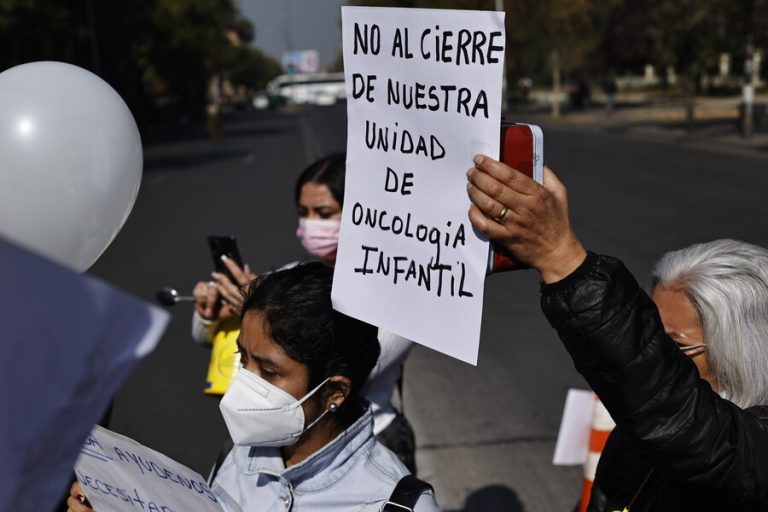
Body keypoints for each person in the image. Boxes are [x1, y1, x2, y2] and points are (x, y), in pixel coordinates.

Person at [466, 154, 768, 511]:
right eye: (649, 336)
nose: (653, 354)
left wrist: (560, 257)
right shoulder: (633, 439)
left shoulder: (751, 454)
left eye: (672, 347)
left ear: (743, 352)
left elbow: (691, 430)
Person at [68, 263, 440, 512]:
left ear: (335, 392)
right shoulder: (237, 456)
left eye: (270, 372)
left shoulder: (397, 504)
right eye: (243, 358)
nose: (244, 381)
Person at [192, 154, 418, 473]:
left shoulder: (392, 290)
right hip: (286, 440)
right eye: (303, 213)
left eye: (323, 213)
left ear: (361, 213)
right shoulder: (293, 275)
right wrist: (210, 313)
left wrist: (263, 311)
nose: (311, 223)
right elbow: (212, 339)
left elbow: (361, 366)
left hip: (369, 439)